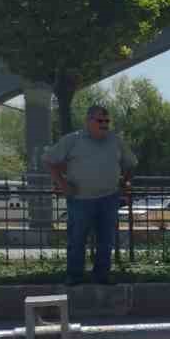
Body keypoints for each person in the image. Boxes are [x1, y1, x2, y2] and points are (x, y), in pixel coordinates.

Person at [45, 105, 136, 286]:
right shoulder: (72, 140)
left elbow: (131, 163)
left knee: (106, 240)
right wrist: (62, 184)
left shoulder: (115, 140)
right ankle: (75, 276)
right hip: (80, 199)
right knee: (77, 240)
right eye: (100, 120)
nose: (104, 124)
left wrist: (124, 181)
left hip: (109, 198)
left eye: (107, 121)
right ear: (88, 121)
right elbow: (49, 161)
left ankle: (102, 276)